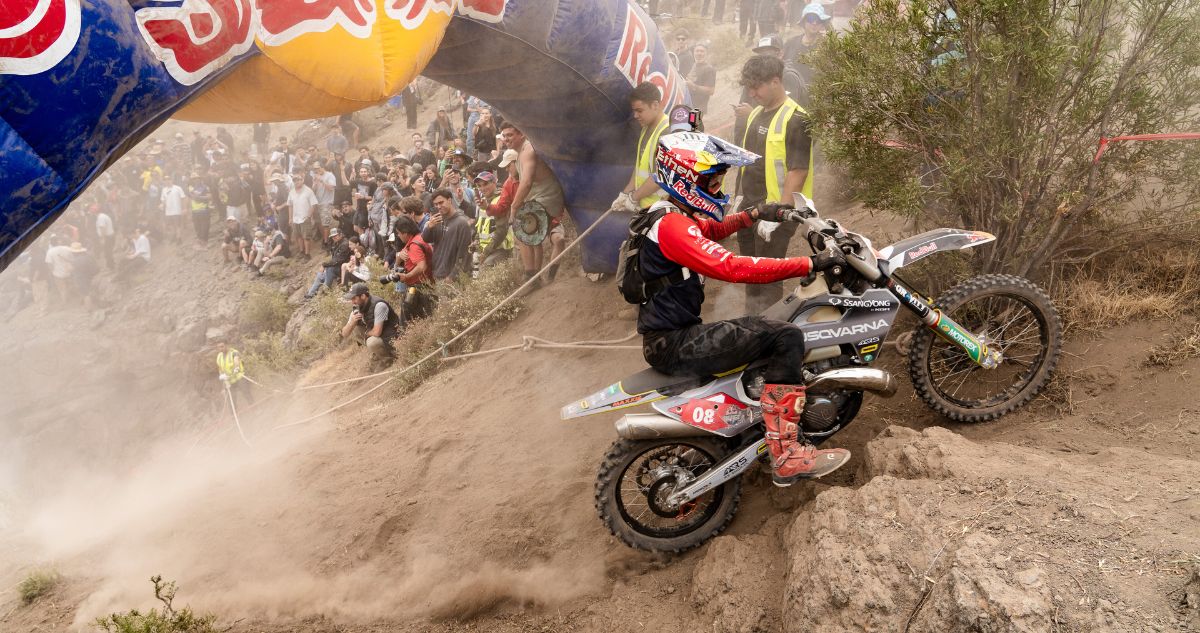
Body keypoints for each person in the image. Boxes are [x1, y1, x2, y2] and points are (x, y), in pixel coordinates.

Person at [635, 130, 849, 484]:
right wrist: (810, 264)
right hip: (676, 342)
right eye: (711, 179)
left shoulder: (663, 214)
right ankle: (787, 456)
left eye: (720, 179)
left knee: (764, 326)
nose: (718, 186)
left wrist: (754, 214)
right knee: (786, 337)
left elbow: (706, 230)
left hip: (668, 337)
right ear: (685, 177)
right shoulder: (672, 224)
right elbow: (731, 267)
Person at [735, 54, 816, 313]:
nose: (752, 93)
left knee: (768, 276)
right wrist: (739, 196)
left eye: (756, 86)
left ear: (775, 81)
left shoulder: (796, 119)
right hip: (750, 207)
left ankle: (769, 330)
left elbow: (798, 171)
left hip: (776, 212)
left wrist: (779, 214)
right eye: (748, 87)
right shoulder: (757, 113)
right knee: (750, 270)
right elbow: (751, 161)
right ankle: (752, 323)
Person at [504, 123, 567, 283]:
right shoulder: (519, 154)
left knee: (521, 228)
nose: (506, 139)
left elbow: (526, 183)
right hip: (538, 199)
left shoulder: (528, 151)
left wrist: (514, 207)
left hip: (547, 198)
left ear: (521, 135)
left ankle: (531, 275)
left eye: (510, 135)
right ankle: (535, 277)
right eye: (504, 136)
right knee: (533, 235)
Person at [611, 83, 670, 214]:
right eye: (634, 111)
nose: (635, 115)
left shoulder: (667, 132)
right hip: (645, 207)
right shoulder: (645, 129)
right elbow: (639, 168)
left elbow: (660, 177)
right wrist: (625, 194)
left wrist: (633, 197)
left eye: (639, 110)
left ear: (655, 105)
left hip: (661, 208)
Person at [734, 36, 805, 143]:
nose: (764, 58)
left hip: (781, 144)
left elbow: (788, 119)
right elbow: (741, 113)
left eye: (768, 54)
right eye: (761, 54)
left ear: (780, 54)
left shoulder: (788, 77)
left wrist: (752, 114)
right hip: (754, 141)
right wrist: (738, 142)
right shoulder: (754, 75)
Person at [386, 215, 436, 326]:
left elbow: (421, 266)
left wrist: (407, 276)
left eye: (399, 233)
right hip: (426, 287)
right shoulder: (419, 237)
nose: (398, 236)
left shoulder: (414, 245)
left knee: (407, 321)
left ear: (405, 232)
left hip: (418, 288)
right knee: (425, 319)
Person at [340, 282, 399, 370]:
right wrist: (352, 322)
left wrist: (367, 334)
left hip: (393, 336)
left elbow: (377, 332)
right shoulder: (357, 308)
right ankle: (378, 355)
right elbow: (344, 334)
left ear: (363, 296)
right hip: (379, 335)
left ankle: (388, 360)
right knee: (355, 329)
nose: (352, 302)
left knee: (372, 342)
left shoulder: (379, 305)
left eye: (354, 298)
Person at [422, 188, 474, 281]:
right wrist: (429, 227)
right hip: (438, 273)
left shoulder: (461, 223)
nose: (438, 206)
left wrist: (452, 276)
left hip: (452, 279)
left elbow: (464, 255)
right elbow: (426, 239)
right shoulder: (437, 220)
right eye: (436, 204)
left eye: (441, 202)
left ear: (449, 200)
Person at [783, 2, 831, 99]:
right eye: (811, 19)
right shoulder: (791, 43)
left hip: (817, 97)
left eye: (818, 20)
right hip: (793, 95)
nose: (814, 23)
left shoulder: (827, 45)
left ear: (822, 24)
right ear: (803, 22)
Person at [471, 171, 513, 268]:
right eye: (479, 185)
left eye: (486, 184)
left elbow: (501, 231)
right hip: (486, 250)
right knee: (474, 270)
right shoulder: (480, 203)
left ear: (494, 182)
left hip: (501, 250)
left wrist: (485, 253)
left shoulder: (501, 200)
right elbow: (479, 228)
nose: (482, 188)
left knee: (485, 268)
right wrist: (476, 242)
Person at [305, 227, 351, 298]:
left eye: (335, 236)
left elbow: (338, 260)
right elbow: (334, 259)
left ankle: (326, 289)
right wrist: (326, 265)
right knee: (320, 274)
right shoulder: (337, 243)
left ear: (341, 234)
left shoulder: (345, 244)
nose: (334, 238)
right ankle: (311, 294)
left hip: (345, 268)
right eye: (332, 236)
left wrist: (325, 265)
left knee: (329, 268)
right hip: (338, 267)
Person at [285, 173, 319, 259]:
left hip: (305, 218)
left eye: (298, 180)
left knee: (306, 236)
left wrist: (308, 216)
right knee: (298, 236)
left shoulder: (308, 191)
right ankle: (301, 251)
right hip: (295, 218)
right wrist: (290, 218)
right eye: (295, 181)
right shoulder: (291, 192)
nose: (296, 182)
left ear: (302, 180)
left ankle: (307, 254)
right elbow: (290, 205)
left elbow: (313, 205)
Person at [215, 340, 254, 407]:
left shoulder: (234, 352)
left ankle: (256, 408)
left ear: (226, 345)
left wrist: (236, 368)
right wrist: (222, 376)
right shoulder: (219, 356)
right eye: (219, 347)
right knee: (231, 400)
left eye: (222, 346)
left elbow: (236, 360)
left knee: (246, 393)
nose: (221, 349)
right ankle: (233, 415)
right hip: (229, 381)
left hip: (239, 377)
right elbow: (220, 368)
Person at [311, 161, 337, 241]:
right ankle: (325, 239)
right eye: (315, 169)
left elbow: (331, 188)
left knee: (326, 224)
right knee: (319, 222)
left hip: (326, 203)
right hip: (317, 203)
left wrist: (322, 181)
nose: (316, 170)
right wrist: (314, 183)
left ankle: (326, 242)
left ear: (322, 167)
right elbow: (313, 190)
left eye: (318, 168)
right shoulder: (315, 176)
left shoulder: (330, 175)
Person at [687, 44, 717, 114]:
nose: (699, 53)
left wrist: (693, 86)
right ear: (693, 53)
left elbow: (711, 91)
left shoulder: (709, 69)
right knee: (692, 125)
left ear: (706, 54)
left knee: (693, 124)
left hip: (698, 109)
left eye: (702, 51)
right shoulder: (693, 66)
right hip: (688, 105)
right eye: (697, 51)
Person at [186, 172, 214, 249]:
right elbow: (188, 200)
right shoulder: (190, 188)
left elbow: (209, 197)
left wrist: (199, 198)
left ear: (199, 179)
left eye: (196, 178)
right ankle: (201, 243)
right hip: (195, 211)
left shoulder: (205, 187)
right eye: (193, 179)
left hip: (204, 210)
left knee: (204, 227)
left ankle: (205, 243)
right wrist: (188, 210)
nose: (195, 180)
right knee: (197, 228)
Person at [160, 177, 187, 244]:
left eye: (169, 179)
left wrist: (184, 208)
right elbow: (163, 200)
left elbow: (183, 198)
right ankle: (175, 236)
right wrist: (162, 205)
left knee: (178, 225)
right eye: (165, 180)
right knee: (171, 225)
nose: (167, 181)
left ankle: (179, 238)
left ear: (172, 180)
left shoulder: (177, 188)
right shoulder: (164, 190)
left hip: (177, 210)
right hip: (168, 211)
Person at [91, 203, 116, 269]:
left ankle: (111, 266)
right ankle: (111, 265)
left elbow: (102, 229)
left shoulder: (100, 218)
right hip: (110, 236)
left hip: (107, 237)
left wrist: (102, 239)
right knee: (108, 252)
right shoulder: (103, 216)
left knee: (107, 253)